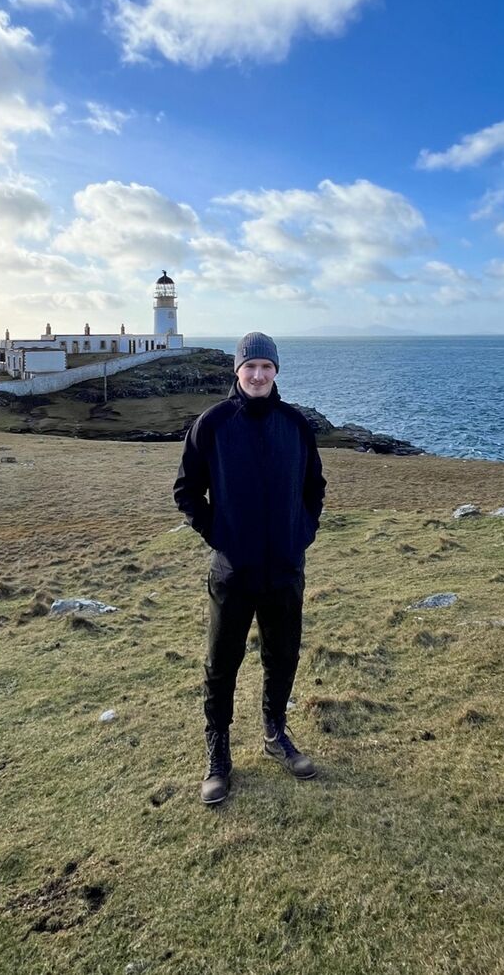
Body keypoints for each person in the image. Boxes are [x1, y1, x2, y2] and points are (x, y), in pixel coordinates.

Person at [173, 332, 327, 804]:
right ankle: (218, 755)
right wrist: (220, 536)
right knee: (221, 665)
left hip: (284, 570)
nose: (257, 375)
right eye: (249, 367)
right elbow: (186, 491)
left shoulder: (295, 424)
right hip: (232, 573)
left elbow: (314, 488)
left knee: (283, 657)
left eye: (266, 367)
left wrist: (301, 533)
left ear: (276, 371)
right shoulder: (213, 424)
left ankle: (275, 734)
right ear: (236, 372)